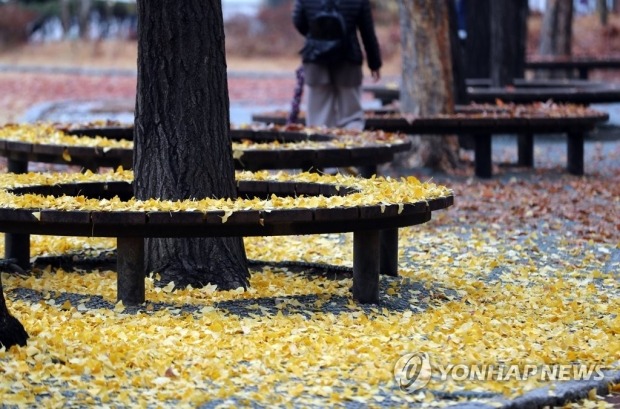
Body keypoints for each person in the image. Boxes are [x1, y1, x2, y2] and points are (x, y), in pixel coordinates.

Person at [292, 0, 382, 130]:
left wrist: (317, 35)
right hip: (348, 58)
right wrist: (374, 63)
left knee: (319, 119)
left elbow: (298, 20)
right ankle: (352, 146)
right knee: (351, 116)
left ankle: (323, 147)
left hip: (316, 60)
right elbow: (367, 31)